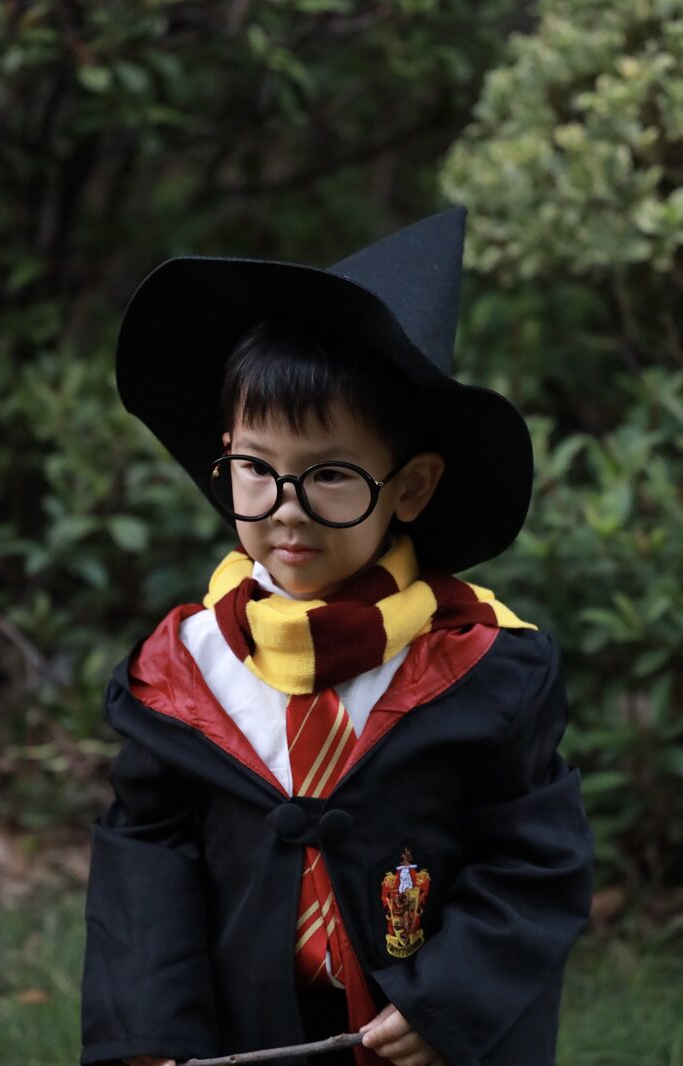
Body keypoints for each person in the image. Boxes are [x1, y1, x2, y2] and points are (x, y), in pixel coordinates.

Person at [80, 208, 594, 1066]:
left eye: (328, 474)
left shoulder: (481, 665)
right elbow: (147, 855)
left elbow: (535, 860)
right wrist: (151, 1031)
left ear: (412, 487)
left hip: (419, 1036)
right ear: (226, 456)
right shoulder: (183, 671)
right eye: (257, 468)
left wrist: (449, 1001)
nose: (287, 508)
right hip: (248, 1035)